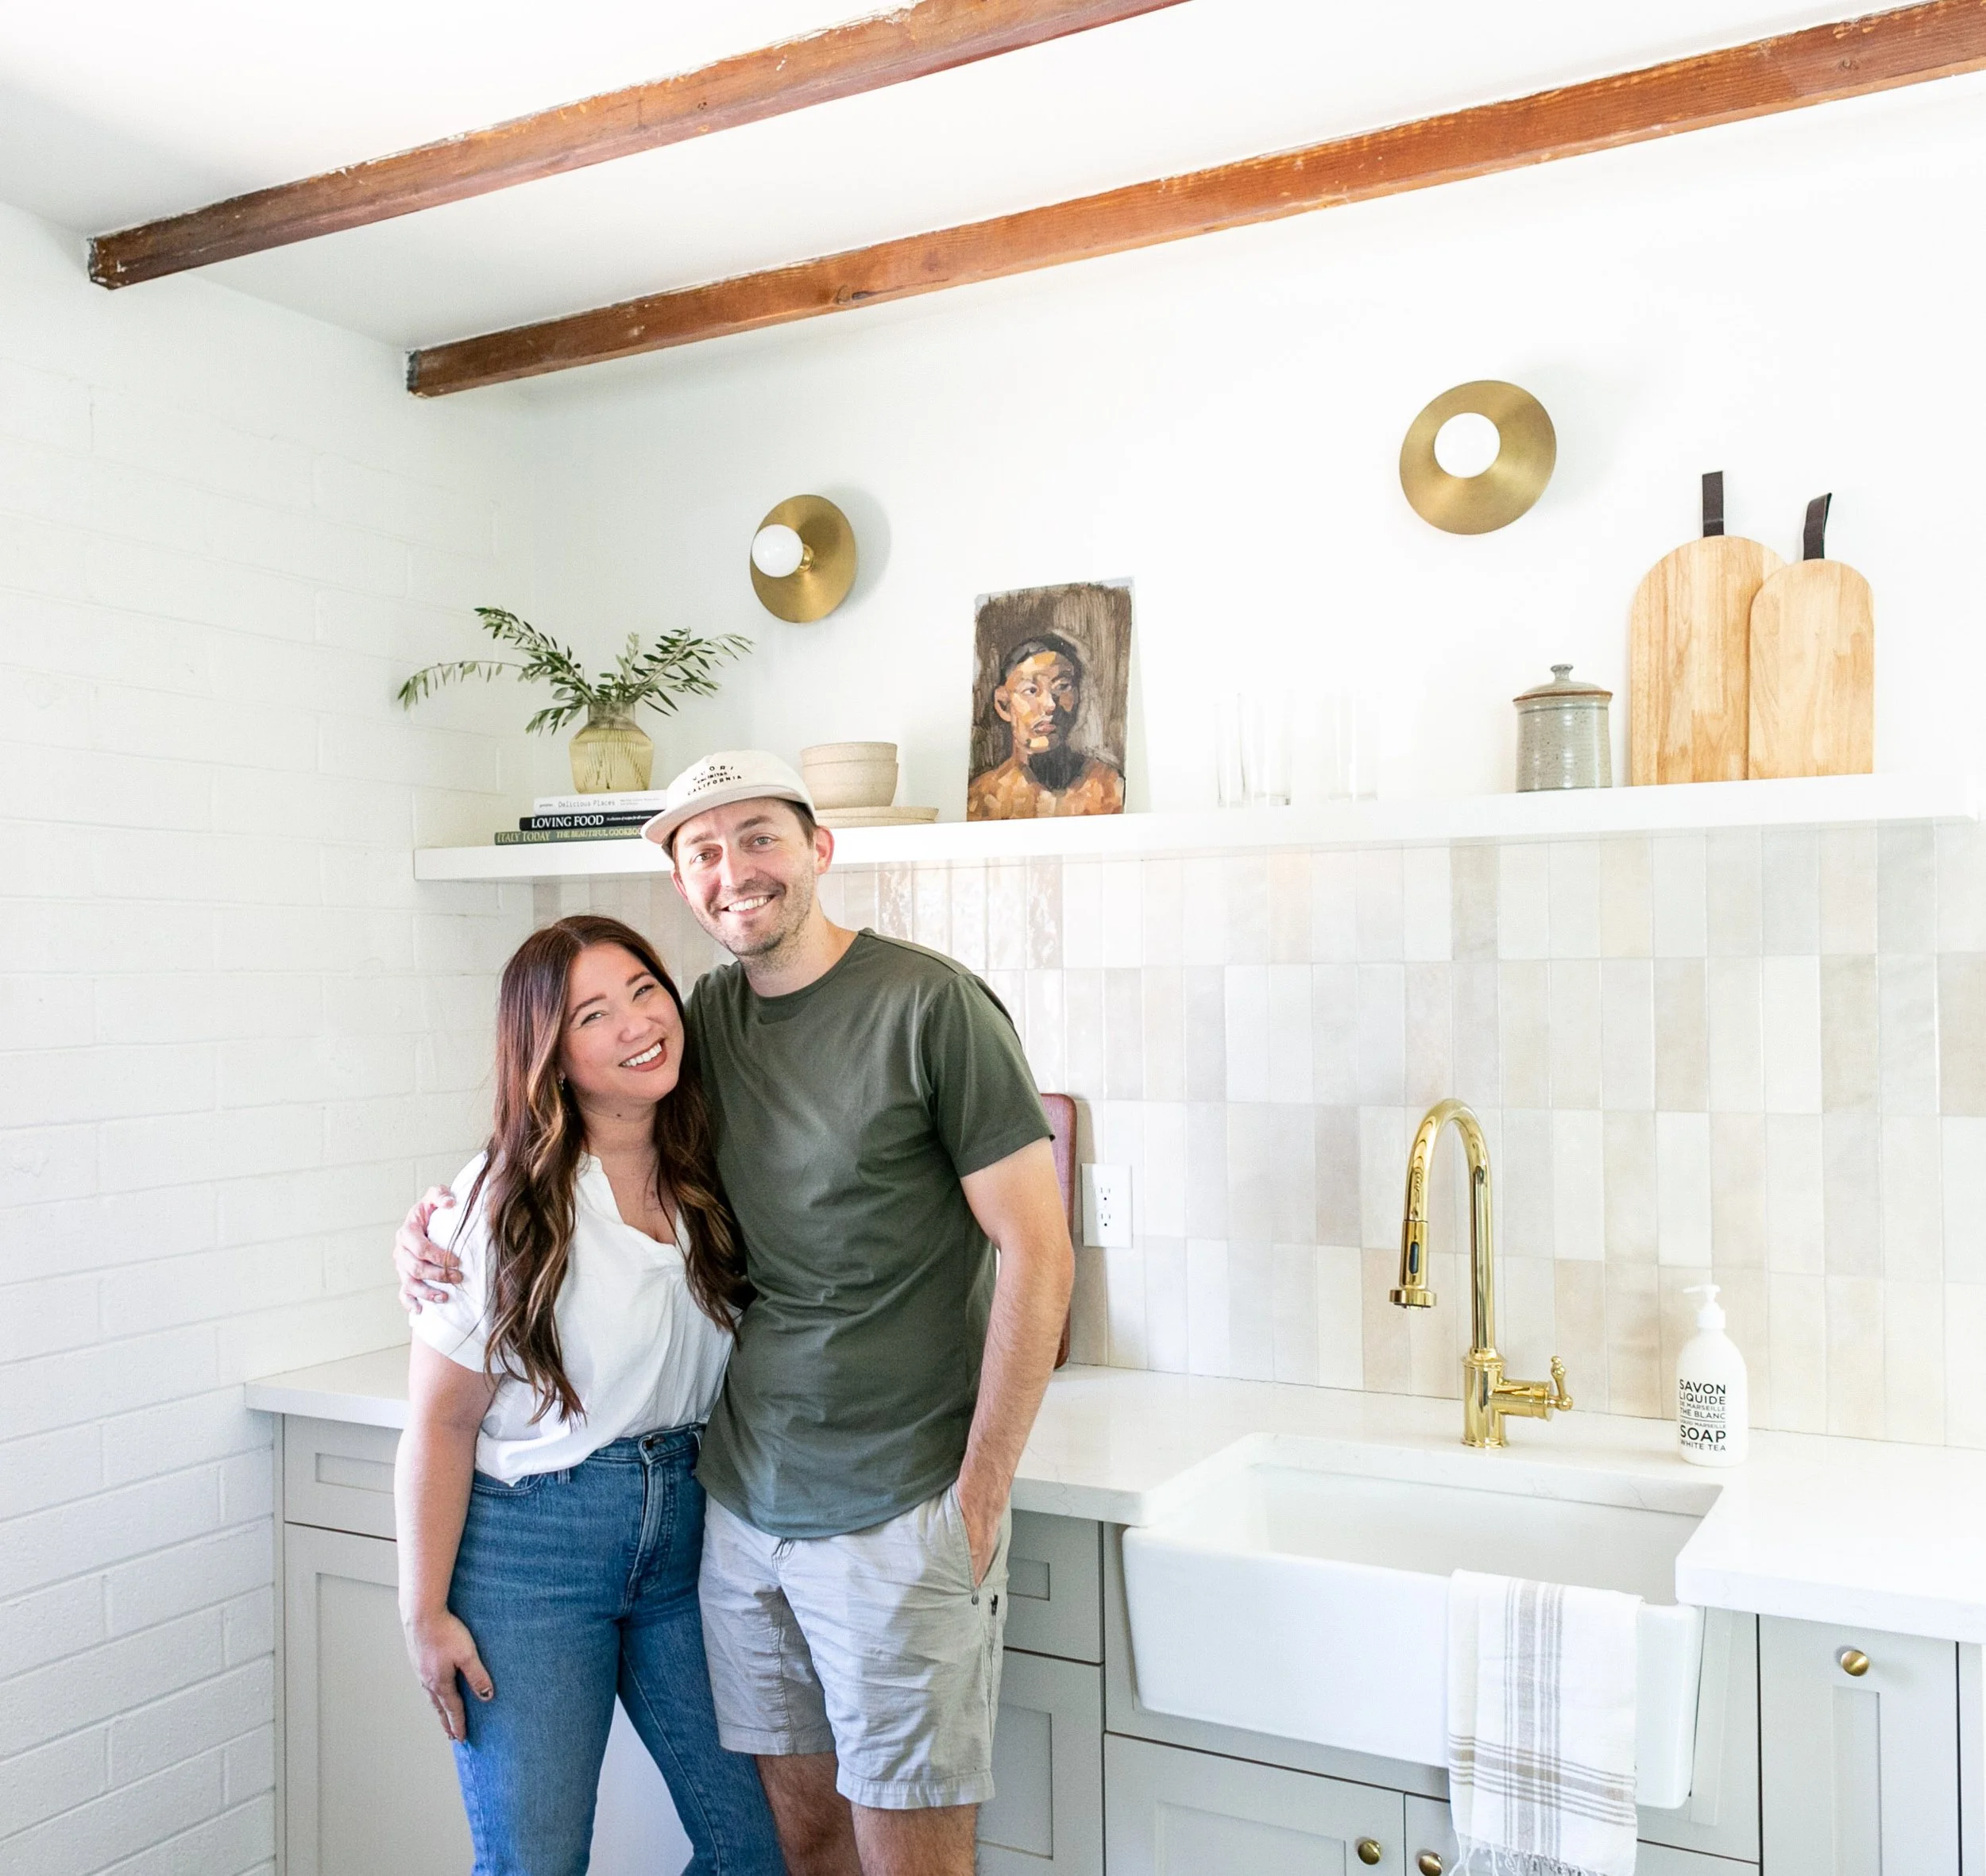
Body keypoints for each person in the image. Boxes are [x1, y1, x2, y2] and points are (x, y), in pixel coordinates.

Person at [399, 751, 1075, 1876]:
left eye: (759, 836)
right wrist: (435, 1222)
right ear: (682, 884)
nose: (734, 869)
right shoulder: (702, 1025)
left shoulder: (930, 1005)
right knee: (790, 1845)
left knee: (900, 1852)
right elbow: (560, 1147)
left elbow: (1038, 1251)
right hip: (735, 1514)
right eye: (703, 851)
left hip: (894, 1505)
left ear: (820, 848)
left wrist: (981, 1490)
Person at [394, 913, 785, 1876]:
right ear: (550, 1056)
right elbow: (440, 1420)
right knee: (536, 1863)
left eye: (645, 990)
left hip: (691, 1531)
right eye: (593, 1014)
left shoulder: (718, 1167)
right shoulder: (503, 1199)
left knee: (761, 1848)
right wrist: (423, 1612)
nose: (635, 1024)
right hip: (531, 1551)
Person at [966, 633, 1124, 820]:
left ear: (1079, 698)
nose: (1050, 705)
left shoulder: (1109, 788)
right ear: (1003, 704)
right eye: (1031, 690)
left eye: (1062, 686)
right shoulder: (981, 799)